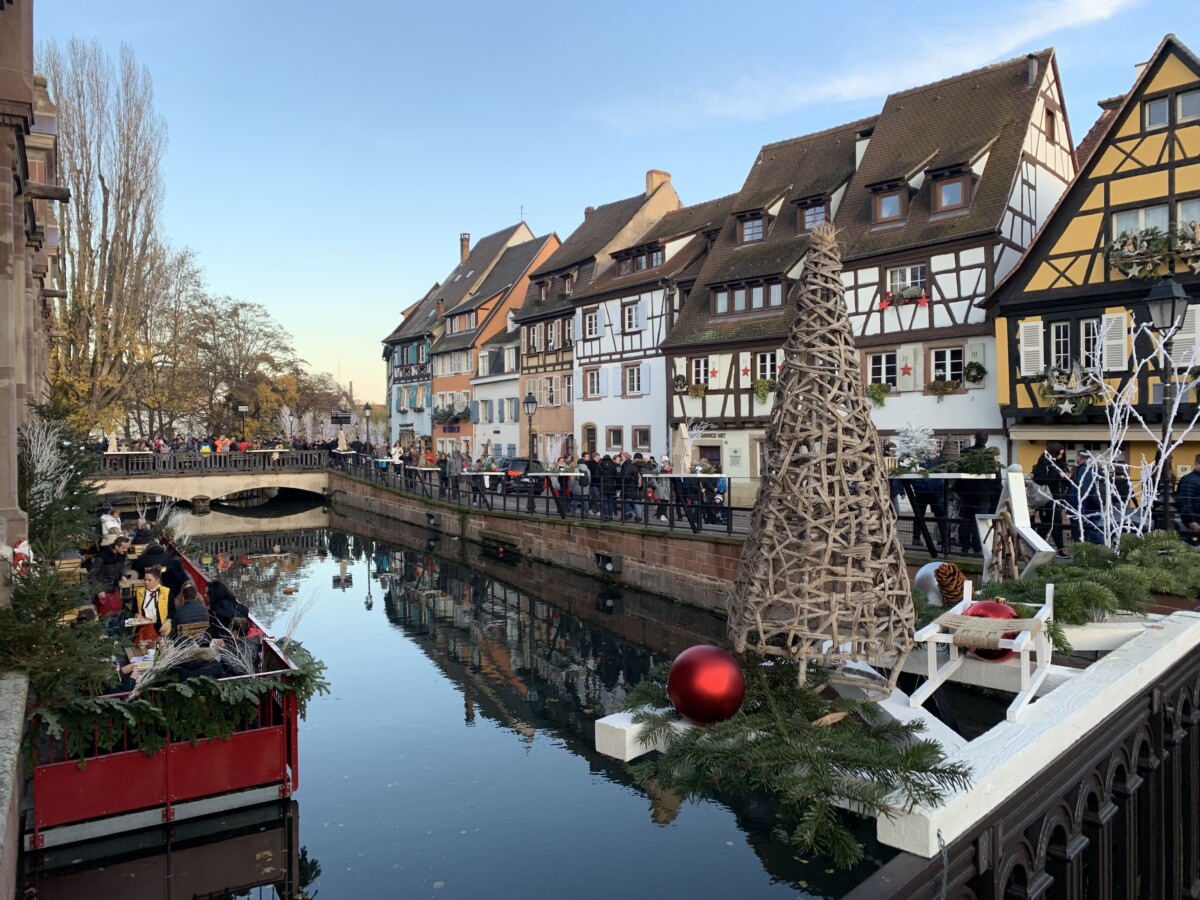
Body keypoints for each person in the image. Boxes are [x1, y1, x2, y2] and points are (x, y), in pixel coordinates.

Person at [1032, 442, 1070, 556]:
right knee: (1053, 523)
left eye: (1062, 454)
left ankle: (1037, 547)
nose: (1061, 456)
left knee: (1048, 525)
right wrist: (1058, 476)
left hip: (1058, 498)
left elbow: (1064, 483)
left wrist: (1067, 477)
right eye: (1059, 454)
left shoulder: (1060, 464)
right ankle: (1059, 549)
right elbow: (1039, 479)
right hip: (1047, 498)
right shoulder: (1043, 464)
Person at [89, 535, 130, 615]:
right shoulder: (102, 557)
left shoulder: (122, 555)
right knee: (105, 617)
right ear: (116, 546)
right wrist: (99, 590)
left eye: (127, 548)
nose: (126, 550)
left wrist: (123, 575)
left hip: (115, 590)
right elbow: (92, 575)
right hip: (103, 591)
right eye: (123, 548)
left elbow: (122, 566)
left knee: (117, 614)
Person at [134, 566, 172, 643]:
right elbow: (134, 609)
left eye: (149, 580)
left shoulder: (166, 592)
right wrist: (137, 615)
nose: (146, 582)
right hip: (143, 628)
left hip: (160, 628)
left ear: (157, 580)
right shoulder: (139, 592)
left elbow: (172, 611)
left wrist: (167, 623)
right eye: (145, 580)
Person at [1178, 453, 1200, 546]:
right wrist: (1192, 520)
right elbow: (1185, 501)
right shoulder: (1189, 480)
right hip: (1196, 520)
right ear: (1196, 464)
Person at [598, 454, 619, 521]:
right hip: (611, 485)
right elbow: (616, 476)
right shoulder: (613, 466)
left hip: (603, 485)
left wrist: (601, 479)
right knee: (611, 502)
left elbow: (596, 476)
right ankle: (610, 516)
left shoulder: (600, 466)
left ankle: (606, 515)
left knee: (605, 502)